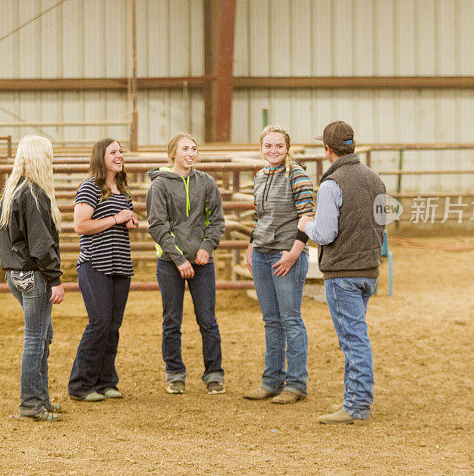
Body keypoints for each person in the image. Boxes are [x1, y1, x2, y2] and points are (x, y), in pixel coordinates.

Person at [298, 121, 386, 424]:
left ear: (327, 149)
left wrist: (304, 225)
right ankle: (353, 397)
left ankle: (357, 404)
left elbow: (324, 233)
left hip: (342, 271)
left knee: (353, 338)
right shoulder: (376, 180)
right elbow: (381, 225)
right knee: (355, 334)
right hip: (368, 270)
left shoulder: (331, 185)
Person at [146, 133, 226, 395]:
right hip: (170, 263)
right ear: (173, 153)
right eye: (184, 149)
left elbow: (216, 220)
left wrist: (207, 246)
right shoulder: (160, 186)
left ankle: (214, 373)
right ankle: (175, 373)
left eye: (193, 149)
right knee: (172, 320)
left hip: (202, 262)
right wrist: (179, 259)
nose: (190, 154)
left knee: (208, 320)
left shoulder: (206, 182)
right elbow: (158, 226)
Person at [243, 125, 315, 404]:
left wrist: (295, 253)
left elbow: (307, 217)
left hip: (285, 255)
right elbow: (259, 216)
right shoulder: (260, 176)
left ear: (287, 148)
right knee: (271, 320)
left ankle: (296, 384)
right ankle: (271, 380)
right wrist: (251, 245)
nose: (273, 151)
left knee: (291, 319)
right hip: (262, 253)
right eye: (268, 146)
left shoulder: (297, 175)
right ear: (261, 148)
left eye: (279, 146)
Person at [0, 135, 65, 422]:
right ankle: (31, 404)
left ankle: (41, 399)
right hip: (35, 276)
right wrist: (56, 278)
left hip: (15, 274)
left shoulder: (12, 192)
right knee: (36, 338)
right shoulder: (34, 194)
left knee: (41, 336)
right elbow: (41, 244)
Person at [68, 138, 138, 402]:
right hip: (95, 264)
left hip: (119, 263)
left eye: (120, 151)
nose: (119, 155)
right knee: (99, 323)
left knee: (113, 325)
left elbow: (119, 221)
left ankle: (106, 381)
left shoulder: (122, 189)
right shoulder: (89, 187)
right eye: (113, 152)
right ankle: (80, 383)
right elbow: (81, 226)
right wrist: (116, 219)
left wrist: (129, 221)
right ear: (102, 157)